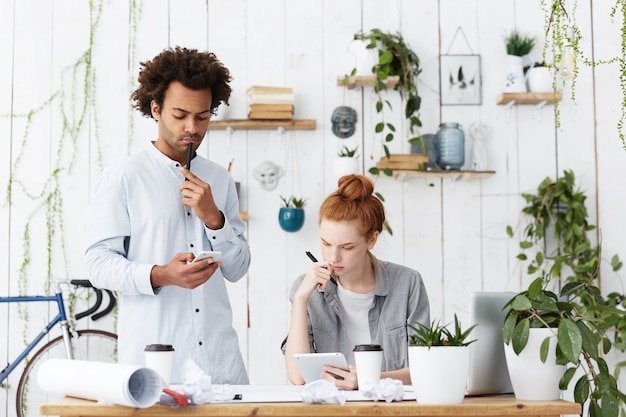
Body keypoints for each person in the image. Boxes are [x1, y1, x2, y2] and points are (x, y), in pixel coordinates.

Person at [84, 46, 251, 384]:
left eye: (202, 117)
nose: (192, 127)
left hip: (221, 367)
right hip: (156, 367)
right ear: (156, 109)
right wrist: (161, 275)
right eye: (180, 115)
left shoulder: (218, 179)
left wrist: (213, 219)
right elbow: (97, 264)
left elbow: (238, 268)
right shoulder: (123, 178)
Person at [282, 174, 430, 389]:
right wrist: (301, 299)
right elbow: (298, 377)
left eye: (347, 247)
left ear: (372, 239)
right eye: (326, 243)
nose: (333, 257)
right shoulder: (305, 288)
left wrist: (369, 380)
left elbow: (425, 367)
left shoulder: (408, 283)